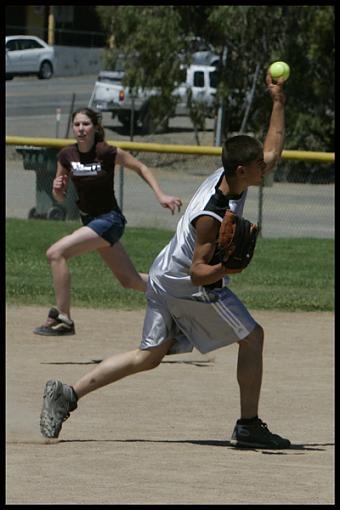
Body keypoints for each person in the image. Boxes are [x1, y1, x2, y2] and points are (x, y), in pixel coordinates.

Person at [40, 72, 291, 449]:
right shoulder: (213, 214)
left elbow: (272, 150)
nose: (266, 168)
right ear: (243, 171)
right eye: (258, 166)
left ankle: (67, 394)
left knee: (149, 356)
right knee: (252, 337)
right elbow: (199, 272)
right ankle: (248, 425)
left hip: (161, 273)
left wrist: (277, 101)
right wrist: (229, 267)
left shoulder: (230, 175)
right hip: (186, 284)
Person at [34, 107, 182, 336]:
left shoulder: (107, 152)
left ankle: (64, 318)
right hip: (91, 222)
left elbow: (140, 167)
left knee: (56, 253)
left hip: (109, 220)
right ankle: (179, 294)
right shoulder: (67, 156)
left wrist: (161, 195)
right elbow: (60, 196)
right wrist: (57, 190)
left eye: (85, 124)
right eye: (77, 124)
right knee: (130, 280)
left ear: (96, 128)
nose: (81, 129)